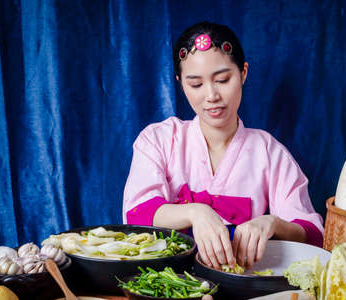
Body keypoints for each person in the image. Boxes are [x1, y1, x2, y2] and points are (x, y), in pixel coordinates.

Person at [123, 21, 324, 270]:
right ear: (180, 82)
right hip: (170, 286)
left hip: (244, 289)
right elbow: (136, 215)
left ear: (243, 73)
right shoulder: (159, 140)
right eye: (195, 84)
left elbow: (313, 234)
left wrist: (273, 223)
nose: (211, 95)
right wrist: (195, 212)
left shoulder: (270, 153)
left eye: (222, 79)